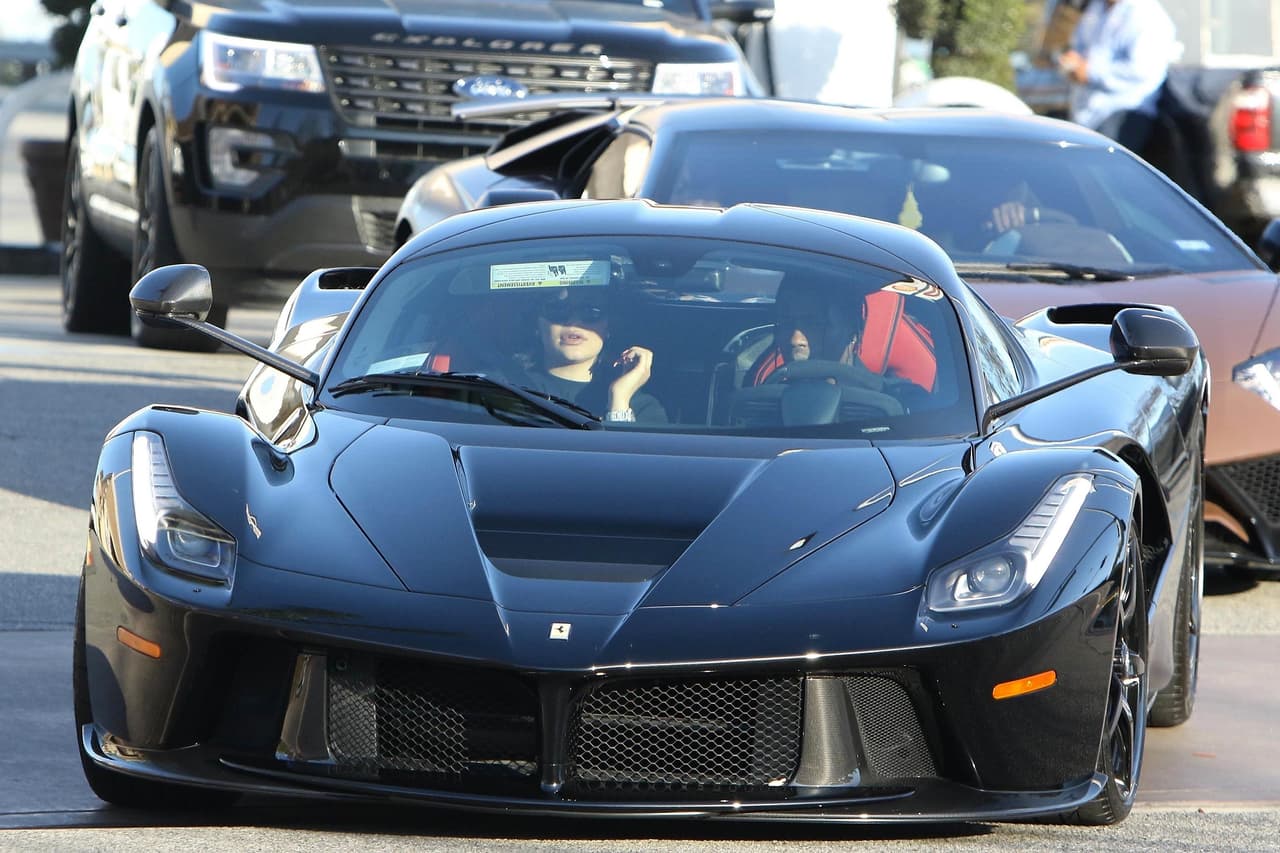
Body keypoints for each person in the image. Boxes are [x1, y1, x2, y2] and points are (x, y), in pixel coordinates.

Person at [517, 287, 667, 424]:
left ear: (609, 326)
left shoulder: (643, 408)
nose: (573, 322)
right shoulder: (506, 388)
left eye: (591, 311)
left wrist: (619, 402)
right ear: (537, 323)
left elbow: (626, 453)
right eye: (558, 309)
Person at [1058, 0, 1177, 153]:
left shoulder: (1147, 14)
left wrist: (1090, 72)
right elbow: (1079, 45)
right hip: (1086, 114)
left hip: (1123, 115)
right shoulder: (1097, 7)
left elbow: (1141, 70)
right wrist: (1073, 62)